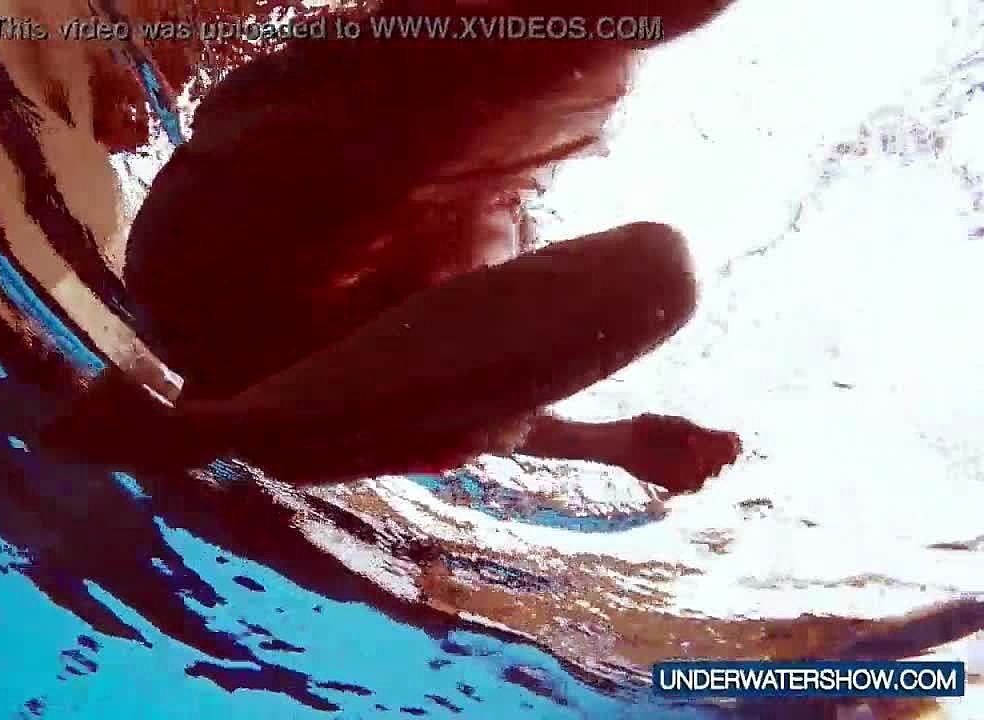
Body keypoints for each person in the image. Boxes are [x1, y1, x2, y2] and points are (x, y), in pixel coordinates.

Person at [41, 0, 743, 494]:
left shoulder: (518, 137)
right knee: (657, 273)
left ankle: (213, 427)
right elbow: (426, 365)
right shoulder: (463, 72)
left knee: (626, 266)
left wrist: (607, 444)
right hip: (212, 289)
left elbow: (428, 363)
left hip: (248, 356)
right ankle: (212, 428)